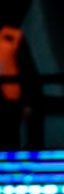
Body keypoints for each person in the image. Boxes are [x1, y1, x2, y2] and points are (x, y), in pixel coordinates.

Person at [0, 16, 36, 150]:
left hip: (11, 100)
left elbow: (27, 68)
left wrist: (29, 101)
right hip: (10, 99)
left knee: (10, 142)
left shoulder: (13, 34)